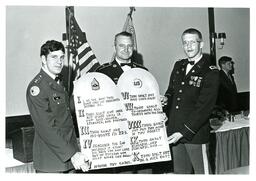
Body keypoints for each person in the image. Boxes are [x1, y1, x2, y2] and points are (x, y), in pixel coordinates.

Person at [26, 40, 90, 173]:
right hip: (51, 162)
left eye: (61, 57)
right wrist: (73, 154)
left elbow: (65, 113)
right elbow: (47, 128)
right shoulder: (37, 87)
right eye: (54, 57)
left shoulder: (58, 82)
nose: (59, 62)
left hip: (70, 156)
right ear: (43, 59)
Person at [163, 28, 219, 174]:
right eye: (185, 43)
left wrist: (183, 132)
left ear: (201, 44)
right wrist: (166, 100)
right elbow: (172, 91)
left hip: (195, 134)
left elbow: (204, 108)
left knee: (203, 174)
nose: (188, 46)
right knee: (180, 173)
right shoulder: (179, 65)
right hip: (175, 132)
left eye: (192, 42)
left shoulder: (210, 71)